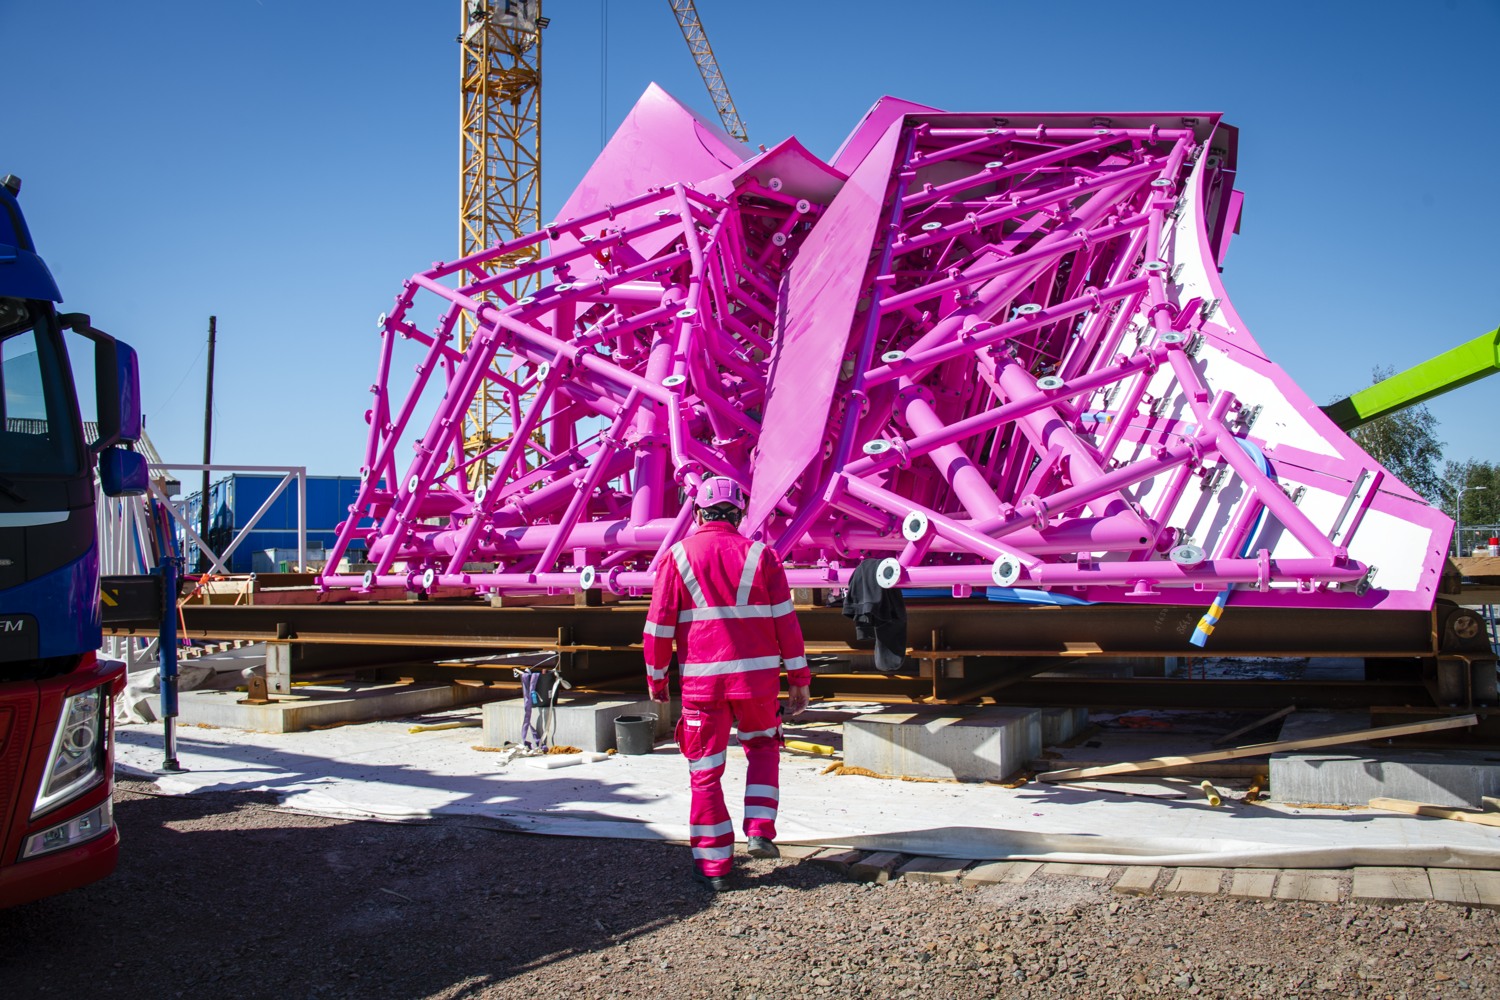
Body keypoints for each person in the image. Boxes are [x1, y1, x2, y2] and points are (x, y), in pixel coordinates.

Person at [643, 476, 811, 892]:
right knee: (763, 747)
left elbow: (658, 627)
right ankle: (758, 831)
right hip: (757, 684)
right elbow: (786, 623)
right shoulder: (762, 556)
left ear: (697, 511)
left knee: (705, 772)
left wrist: (658, 676)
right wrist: (799, 678)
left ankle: (715, 868)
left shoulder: (677, 557)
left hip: (704, 689)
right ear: (738, 515)